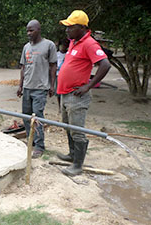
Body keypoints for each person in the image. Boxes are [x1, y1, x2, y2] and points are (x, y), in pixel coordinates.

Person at [56, 10, 111, 176]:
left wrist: (88, 86)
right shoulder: (74, 41)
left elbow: (105, 65)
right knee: (67, 126)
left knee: (77, 130)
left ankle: (77, 166)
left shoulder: (90, 44)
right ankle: (72, 155)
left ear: (81, 27)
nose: (67, 30)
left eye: (70, 27)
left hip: (77, 96)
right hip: (66, 93)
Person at [17, 19, 57, 159]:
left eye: (31, 30)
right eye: (27, 30)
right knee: (26, 117)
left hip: (40, 88)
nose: (28, 33)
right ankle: (30, 140)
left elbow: (53, 66)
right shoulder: (26, 47)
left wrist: (52, 85)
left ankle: (40, 146)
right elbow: (23, 67)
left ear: (38, 30)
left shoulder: (49, 45)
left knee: (38, 117)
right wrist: (20, 85)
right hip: (27, 87)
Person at [55, 38, 70, 113]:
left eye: (65, 45)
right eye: (62, 45)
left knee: (65, 92)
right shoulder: (57, 54)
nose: (63, 47)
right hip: (58, 74)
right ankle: (59, 107)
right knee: (58, 92)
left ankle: (64, 107)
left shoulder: (68, 55)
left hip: (66, 75)